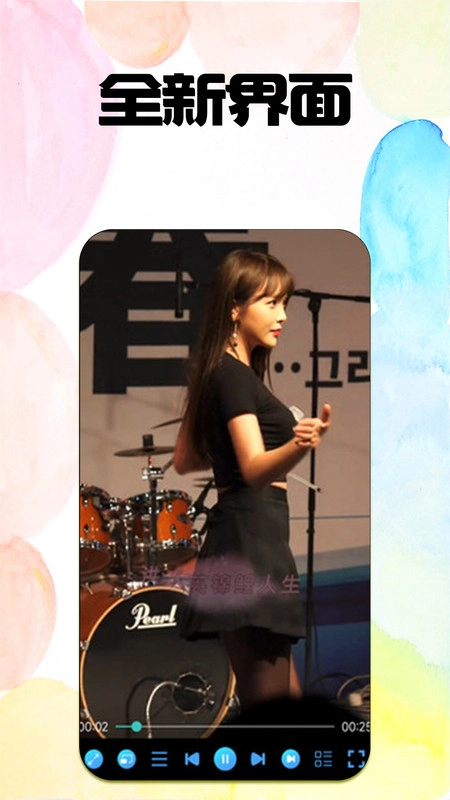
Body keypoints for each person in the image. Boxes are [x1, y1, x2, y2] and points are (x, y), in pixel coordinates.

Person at [173, 249, 331, 712]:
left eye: (285, 304)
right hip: (249, 542)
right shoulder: (232, 375)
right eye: (271, 303)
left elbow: (185, 458)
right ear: (235, 308)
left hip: (252, 538)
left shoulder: (223, 373)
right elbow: (255, 469)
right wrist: (299, 444)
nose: (283, 316)